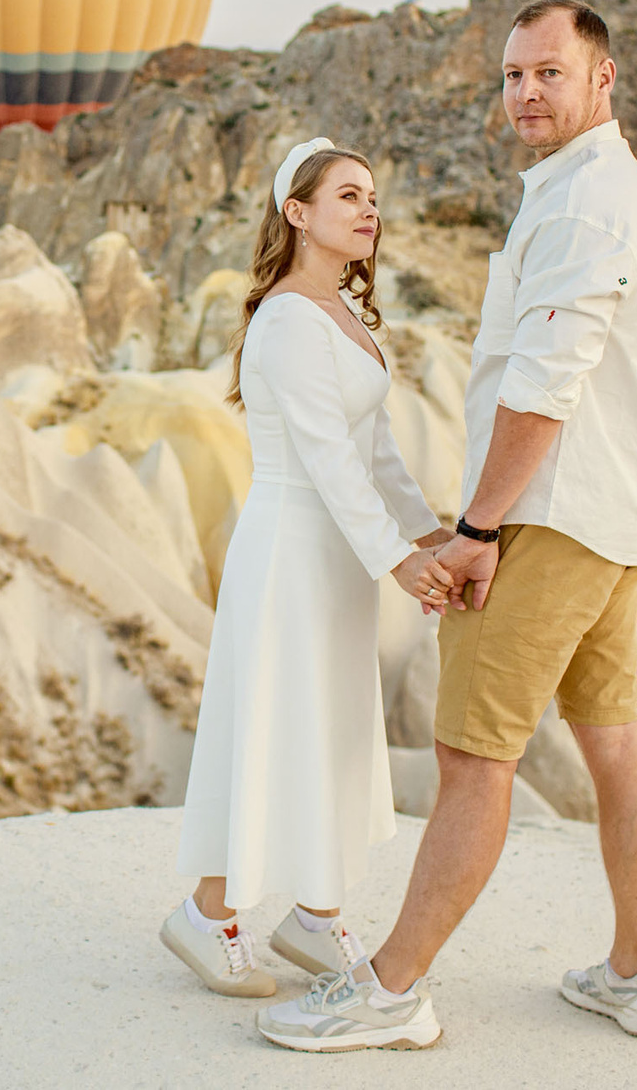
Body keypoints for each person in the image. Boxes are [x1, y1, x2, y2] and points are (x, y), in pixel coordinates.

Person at [258, 0, 637, 1052]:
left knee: (470, 755)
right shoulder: (603, 191)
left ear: (601, 80)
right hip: (615, 518)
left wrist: (478, 529)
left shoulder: (588, 206)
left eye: (548, 72)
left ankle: (389, 991)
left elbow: (543, 388)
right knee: (612, 735)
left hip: (548, 519)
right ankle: (635, 975)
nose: (526, 93)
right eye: (511, 76)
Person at [163, 138, 457, 1026]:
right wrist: (400, 559)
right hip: (292, 547)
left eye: (372, 196)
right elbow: (327, 459)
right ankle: (206, 915)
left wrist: (429, 528)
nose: (369, 210)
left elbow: (375, 450)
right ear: (297, 213)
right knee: (268, 723)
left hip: (339, 558)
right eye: (347, 196)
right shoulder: (290, 318)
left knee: (331, 728)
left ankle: (316, 914)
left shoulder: (347, 314)